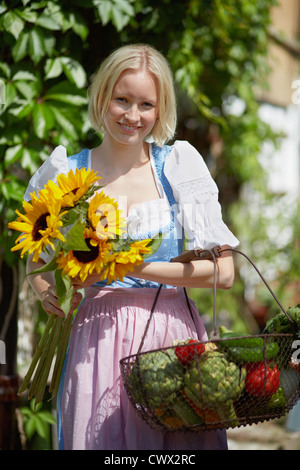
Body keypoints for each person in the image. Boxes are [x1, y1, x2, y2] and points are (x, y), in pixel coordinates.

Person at [25, 43, 239, 450]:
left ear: (160, 110)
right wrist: (46, 294)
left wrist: (129, 266)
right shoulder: (66, 172)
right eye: (122, 100)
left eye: (146, 104)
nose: (132, 115)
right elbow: (38, 254)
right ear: (102, 96)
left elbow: (223, 273)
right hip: (94, 341)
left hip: (171, 342)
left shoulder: (177, 166)